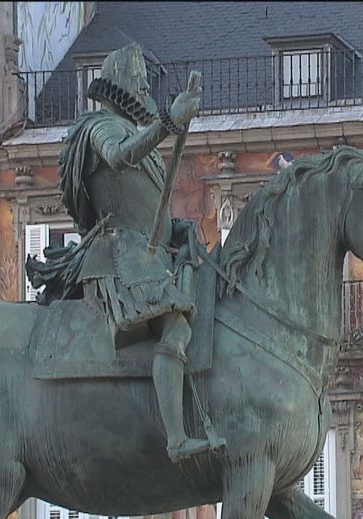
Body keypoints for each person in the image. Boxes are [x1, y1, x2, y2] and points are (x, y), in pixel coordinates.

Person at [29, 44, 220, 462]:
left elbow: (150, 209)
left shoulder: (133, 133)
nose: (147, 88)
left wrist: (178, 228)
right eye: (142, 82)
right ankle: (176, 438)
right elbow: (118, 158)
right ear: (125, 84)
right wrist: (169, 121)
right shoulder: (99, 126)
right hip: (118, 255)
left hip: (147, 253)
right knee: (177, 327)